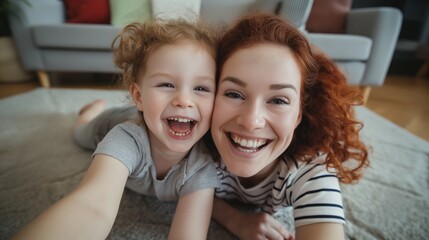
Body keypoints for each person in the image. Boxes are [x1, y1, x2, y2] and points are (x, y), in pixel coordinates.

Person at [13, 18, 220, 240]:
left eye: (201, 88)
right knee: (78, 133)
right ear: (138, 96)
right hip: (111, 122)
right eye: (167, 84)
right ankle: (89, 112)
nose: (184, 100)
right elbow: (92, 207)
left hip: (150, 115)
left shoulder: (203, 167)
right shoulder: (126, 138)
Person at [209, 13, 369, 240]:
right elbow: (170, 186)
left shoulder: (309, 167)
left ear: (298, 115)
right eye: (234, 94)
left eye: (278, 100)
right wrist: (234, 219)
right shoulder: (192, 137)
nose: (252, 121)